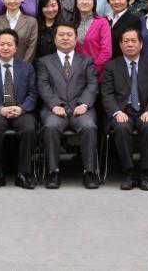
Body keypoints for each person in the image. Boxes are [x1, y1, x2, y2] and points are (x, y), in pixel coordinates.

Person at [36, 23, 101, 189]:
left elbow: (92, 84)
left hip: (81, 109)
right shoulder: (44, 62)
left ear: (76, 38)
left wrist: (84, 104)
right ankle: (53, 172)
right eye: (61, 35)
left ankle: (89, 172)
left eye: (69, 35)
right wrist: (54, 105)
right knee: (50, 126)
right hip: (54, 110)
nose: (65, 38)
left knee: (89, 126)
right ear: (55, 39)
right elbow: (43, 85)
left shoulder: (86, 60)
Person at [101, 29, 148, 191]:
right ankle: (128, 172)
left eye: (133, 41)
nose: (130, 44)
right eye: (126, 41)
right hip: (123, 111)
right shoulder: (111, 66)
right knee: (121, 128)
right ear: (120, 45)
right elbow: (107, 94)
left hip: (144, 110)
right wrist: (116, 112)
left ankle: (145, 173)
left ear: (141, 44)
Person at [0, 30, 39, 189]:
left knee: (29, 128)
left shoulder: (27, 68)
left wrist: (21, 108)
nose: (5, 47)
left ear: (15, 48)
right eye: (2, 44)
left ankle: (23, 174)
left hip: (21, 111)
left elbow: (33, 93)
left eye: (9, 44)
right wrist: (0, 109)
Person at [0, 0, 38, 64]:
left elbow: (31, 47)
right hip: (0, 66)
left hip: (24, 66)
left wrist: (23, 66)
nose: (12, 1)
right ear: (3, 0)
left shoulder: (31, 22)